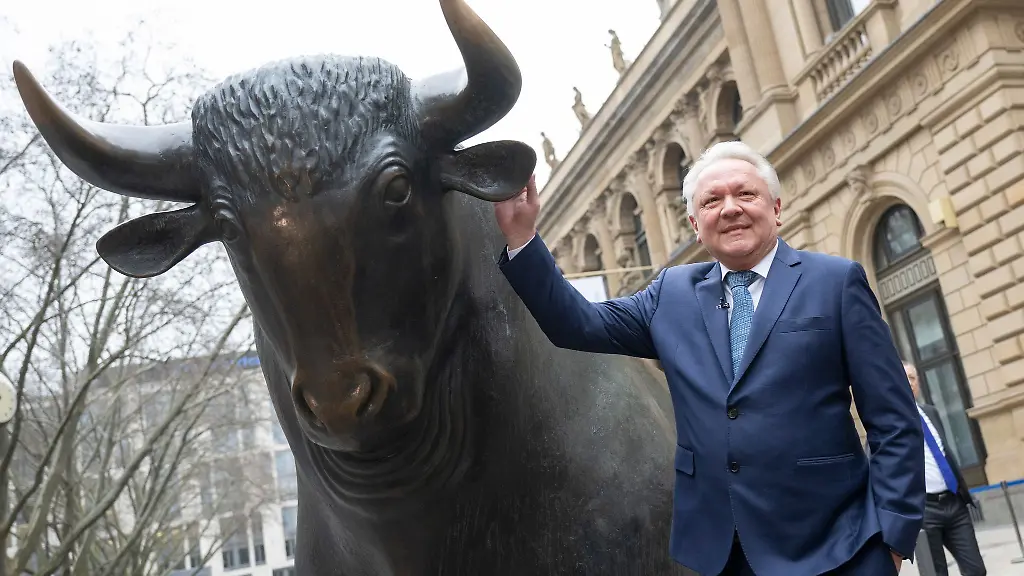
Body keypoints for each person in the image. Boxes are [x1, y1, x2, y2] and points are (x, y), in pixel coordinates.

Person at [494, 141, 925, 576]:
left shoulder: (835, 282)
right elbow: (578, 323)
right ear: (695, 224)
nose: (730, 208)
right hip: (723, 554)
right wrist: (522, 238)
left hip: (838, 548)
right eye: (712, 200)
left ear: (776, 208)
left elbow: (893, 419)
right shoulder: (671, 294)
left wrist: (892, 535)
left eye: (746, 194)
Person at [903, 360, 987, 575]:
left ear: (919, 383)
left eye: (913, 378)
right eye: (904, 378)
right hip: (923, 509)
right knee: (935, 572)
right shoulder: (886, 420)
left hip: (953, 503)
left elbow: (942, 451)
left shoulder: (930, 412)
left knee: (976, 570)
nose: (909, 383)